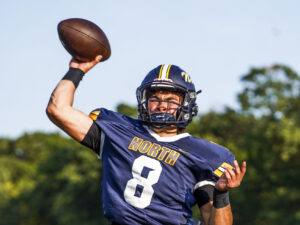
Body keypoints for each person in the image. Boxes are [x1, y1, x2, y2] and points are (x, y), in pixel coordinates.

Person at [46, 55, 246, 225]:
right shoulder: (118, 132)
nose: (161, 105)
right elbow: (58, 110)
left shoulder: (207, 156)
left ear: (187, 104)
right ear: (144, 102)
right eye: (155, 99)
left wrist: (221, 193)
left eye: (170, 100)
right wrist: (77, 69)